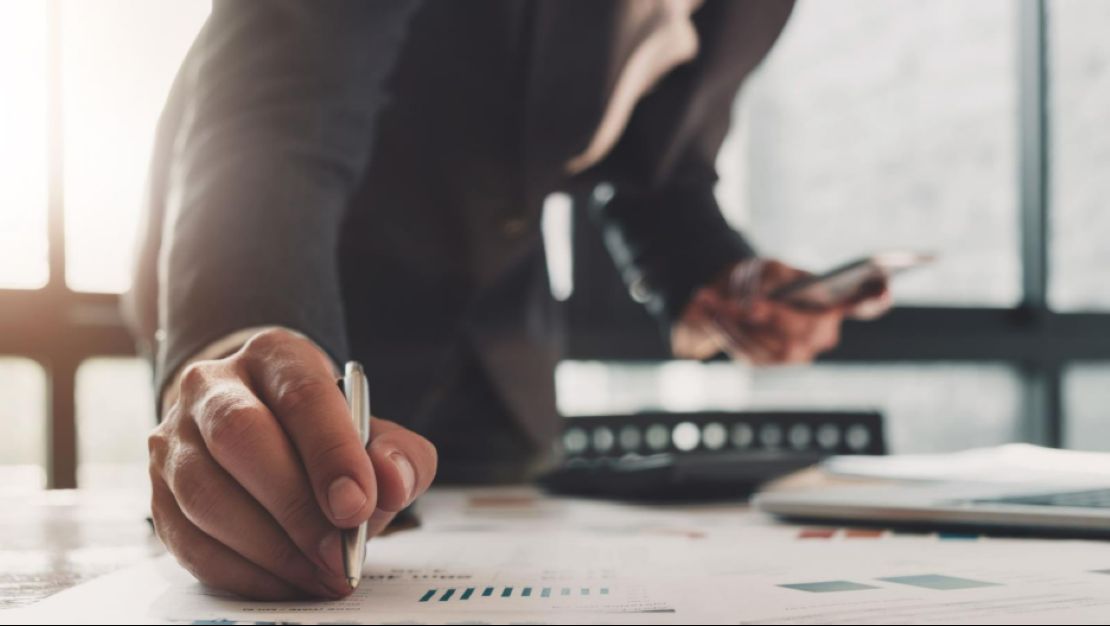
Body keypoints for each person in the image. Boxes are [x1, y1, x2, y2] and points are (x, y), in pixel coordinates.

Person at [124, 0, 887, 601]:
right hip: (300, 298)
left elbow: (658, 166)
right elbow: (282, 109)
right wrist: (243, 347)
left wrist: (719, 277)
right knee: (268, 534)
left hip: (497, 348)